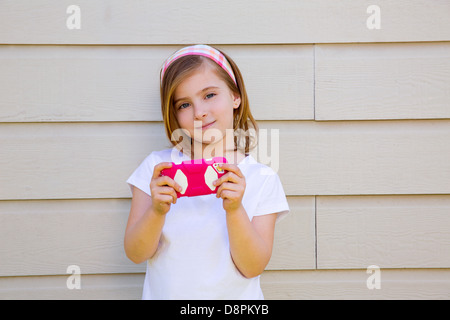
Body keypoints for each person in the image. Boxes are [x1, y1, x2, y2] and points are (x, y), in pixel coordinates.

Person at [124, 44, 290, 299]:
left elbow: (253, 266)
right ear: (175, 115)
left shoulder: (262, 178)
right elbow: (136, 253)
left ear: (236, 97)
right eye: (184, 105)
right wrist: (156, 211)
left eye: (210, 95)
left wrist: (235, 209)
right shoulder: (156, 168)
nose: (199, 112)